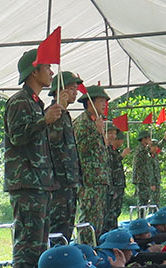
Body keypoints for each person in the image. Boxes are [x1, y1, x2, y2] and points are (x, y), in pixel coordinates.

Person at [4, 49, 61, 268]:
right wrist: (43, 120)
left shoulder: (35, 103)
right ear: (34, 71)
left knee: (38, 244)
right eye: (47, 67)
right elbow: (17, 136)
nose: (51, 72)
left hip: (40, 182)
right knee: (28, 243)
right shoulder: (20, 101)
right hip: (27, 183)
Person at [72, 84, 111, 244]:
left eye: (105, 101)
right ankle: (86, 254)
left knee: (98, 223)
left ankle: (94, 253)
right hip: (89, 183)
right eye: (101, 101)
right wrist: (96, 131)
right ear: (90, 103)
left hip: (99, 182)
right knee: (89, 223)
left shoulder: (96, 122)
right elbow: (80, 149)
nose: (104, 104)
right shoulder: (82, 123)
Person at [47, 72, 82, 244]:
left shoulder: (66, 116)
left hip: (69, 182)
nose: (76, 92)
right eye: (72, 89)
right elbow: (51, 140)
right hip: (57, 182)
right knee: (57, 228)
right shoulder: (53, 114)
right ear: (60, 91)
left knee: (67, 227)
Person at [104, 127, 129, 232]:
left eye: (114, 134)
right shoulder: (106, 149)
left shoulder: (113, 150)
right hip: (112, 184)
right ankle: (109, 231)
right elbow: (110, 164)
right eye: (110, 133)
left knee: (116, 209)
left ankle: (113, 229)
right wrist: (122, 156)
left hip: (118, 184)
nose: (113, 136)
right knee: (111, 210)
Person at [132, 130, 158, 204]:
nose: (150, 140)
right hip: (141, 180)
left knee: (146, 201)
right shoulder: (140, 149)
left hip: (145, 180)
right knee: (142, 202)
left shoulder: (145, 149)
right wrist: (149, 146)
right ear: (144, 139)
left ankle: (143, 215)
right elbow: (142, 155)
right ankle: (141, 215)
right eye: (148, 138)